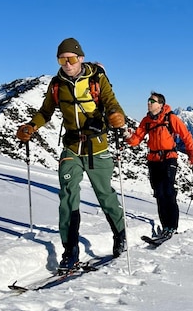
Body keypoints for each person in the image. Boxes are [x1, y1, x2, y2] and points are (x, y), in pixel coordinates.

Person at [16, 37, 128, 271]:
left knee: (105, 195)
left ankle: (120, 236)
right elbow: (45, 111)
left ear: (81, 58)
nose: (67, 63)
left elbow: (111, 103)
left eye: (72, 58)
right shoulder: (56, 85)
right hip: (71, 147)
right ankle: (70, 251)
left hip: (97, 147)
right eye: (62, 59)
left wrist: (117, 116)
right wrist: (31, 126)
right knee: (67, 197)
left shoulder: (97, 79)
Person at [124, 92, 193, 238]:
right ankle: (165, 226)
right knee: (159, 193)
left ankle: (172, 226)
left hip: (169, 158)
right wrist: (128, 137)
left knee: (168, 191)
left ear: (161, 104)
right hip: (153, 160)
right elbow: (137, 139)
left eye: (153, 101)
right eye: (148, 100)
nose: (149, 103)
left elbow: (186, 135)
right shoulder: (146, 120)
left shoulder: (171, 118)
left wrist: (191, 153)